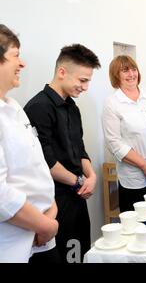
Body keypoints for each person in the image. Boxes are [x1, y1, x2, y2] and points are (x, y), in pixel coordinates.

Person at [24, 44, 101, 262]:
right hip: (55, 200)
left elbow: (80, 148)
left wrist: (92, 176)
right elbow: (45, 161)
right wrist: (78, 181)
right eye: (82, 80)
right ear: (62, 72)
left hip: (78, 194)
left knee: (80, 251)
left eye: (88, 81)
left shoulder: (72, 107)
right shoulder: (38, 107)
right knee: (64, 256)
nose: (85, 87)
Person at [0, 24, 59, 262]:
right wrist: (46, 225)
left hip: (43, 233)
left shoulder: (13, 108)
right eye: (15, 56)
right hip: (15, 245)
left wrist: (51, 210)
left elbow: (36, 167)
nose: (22, 64)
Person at [102, 55, 146, 212]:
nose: (131, 74)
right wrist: (145, 166)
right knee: (139, 227)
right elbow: (114, 143)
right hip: (136, 180)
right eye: (125, 70)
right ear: (116, 75)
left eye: (133, 69)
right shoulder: (112, 103)